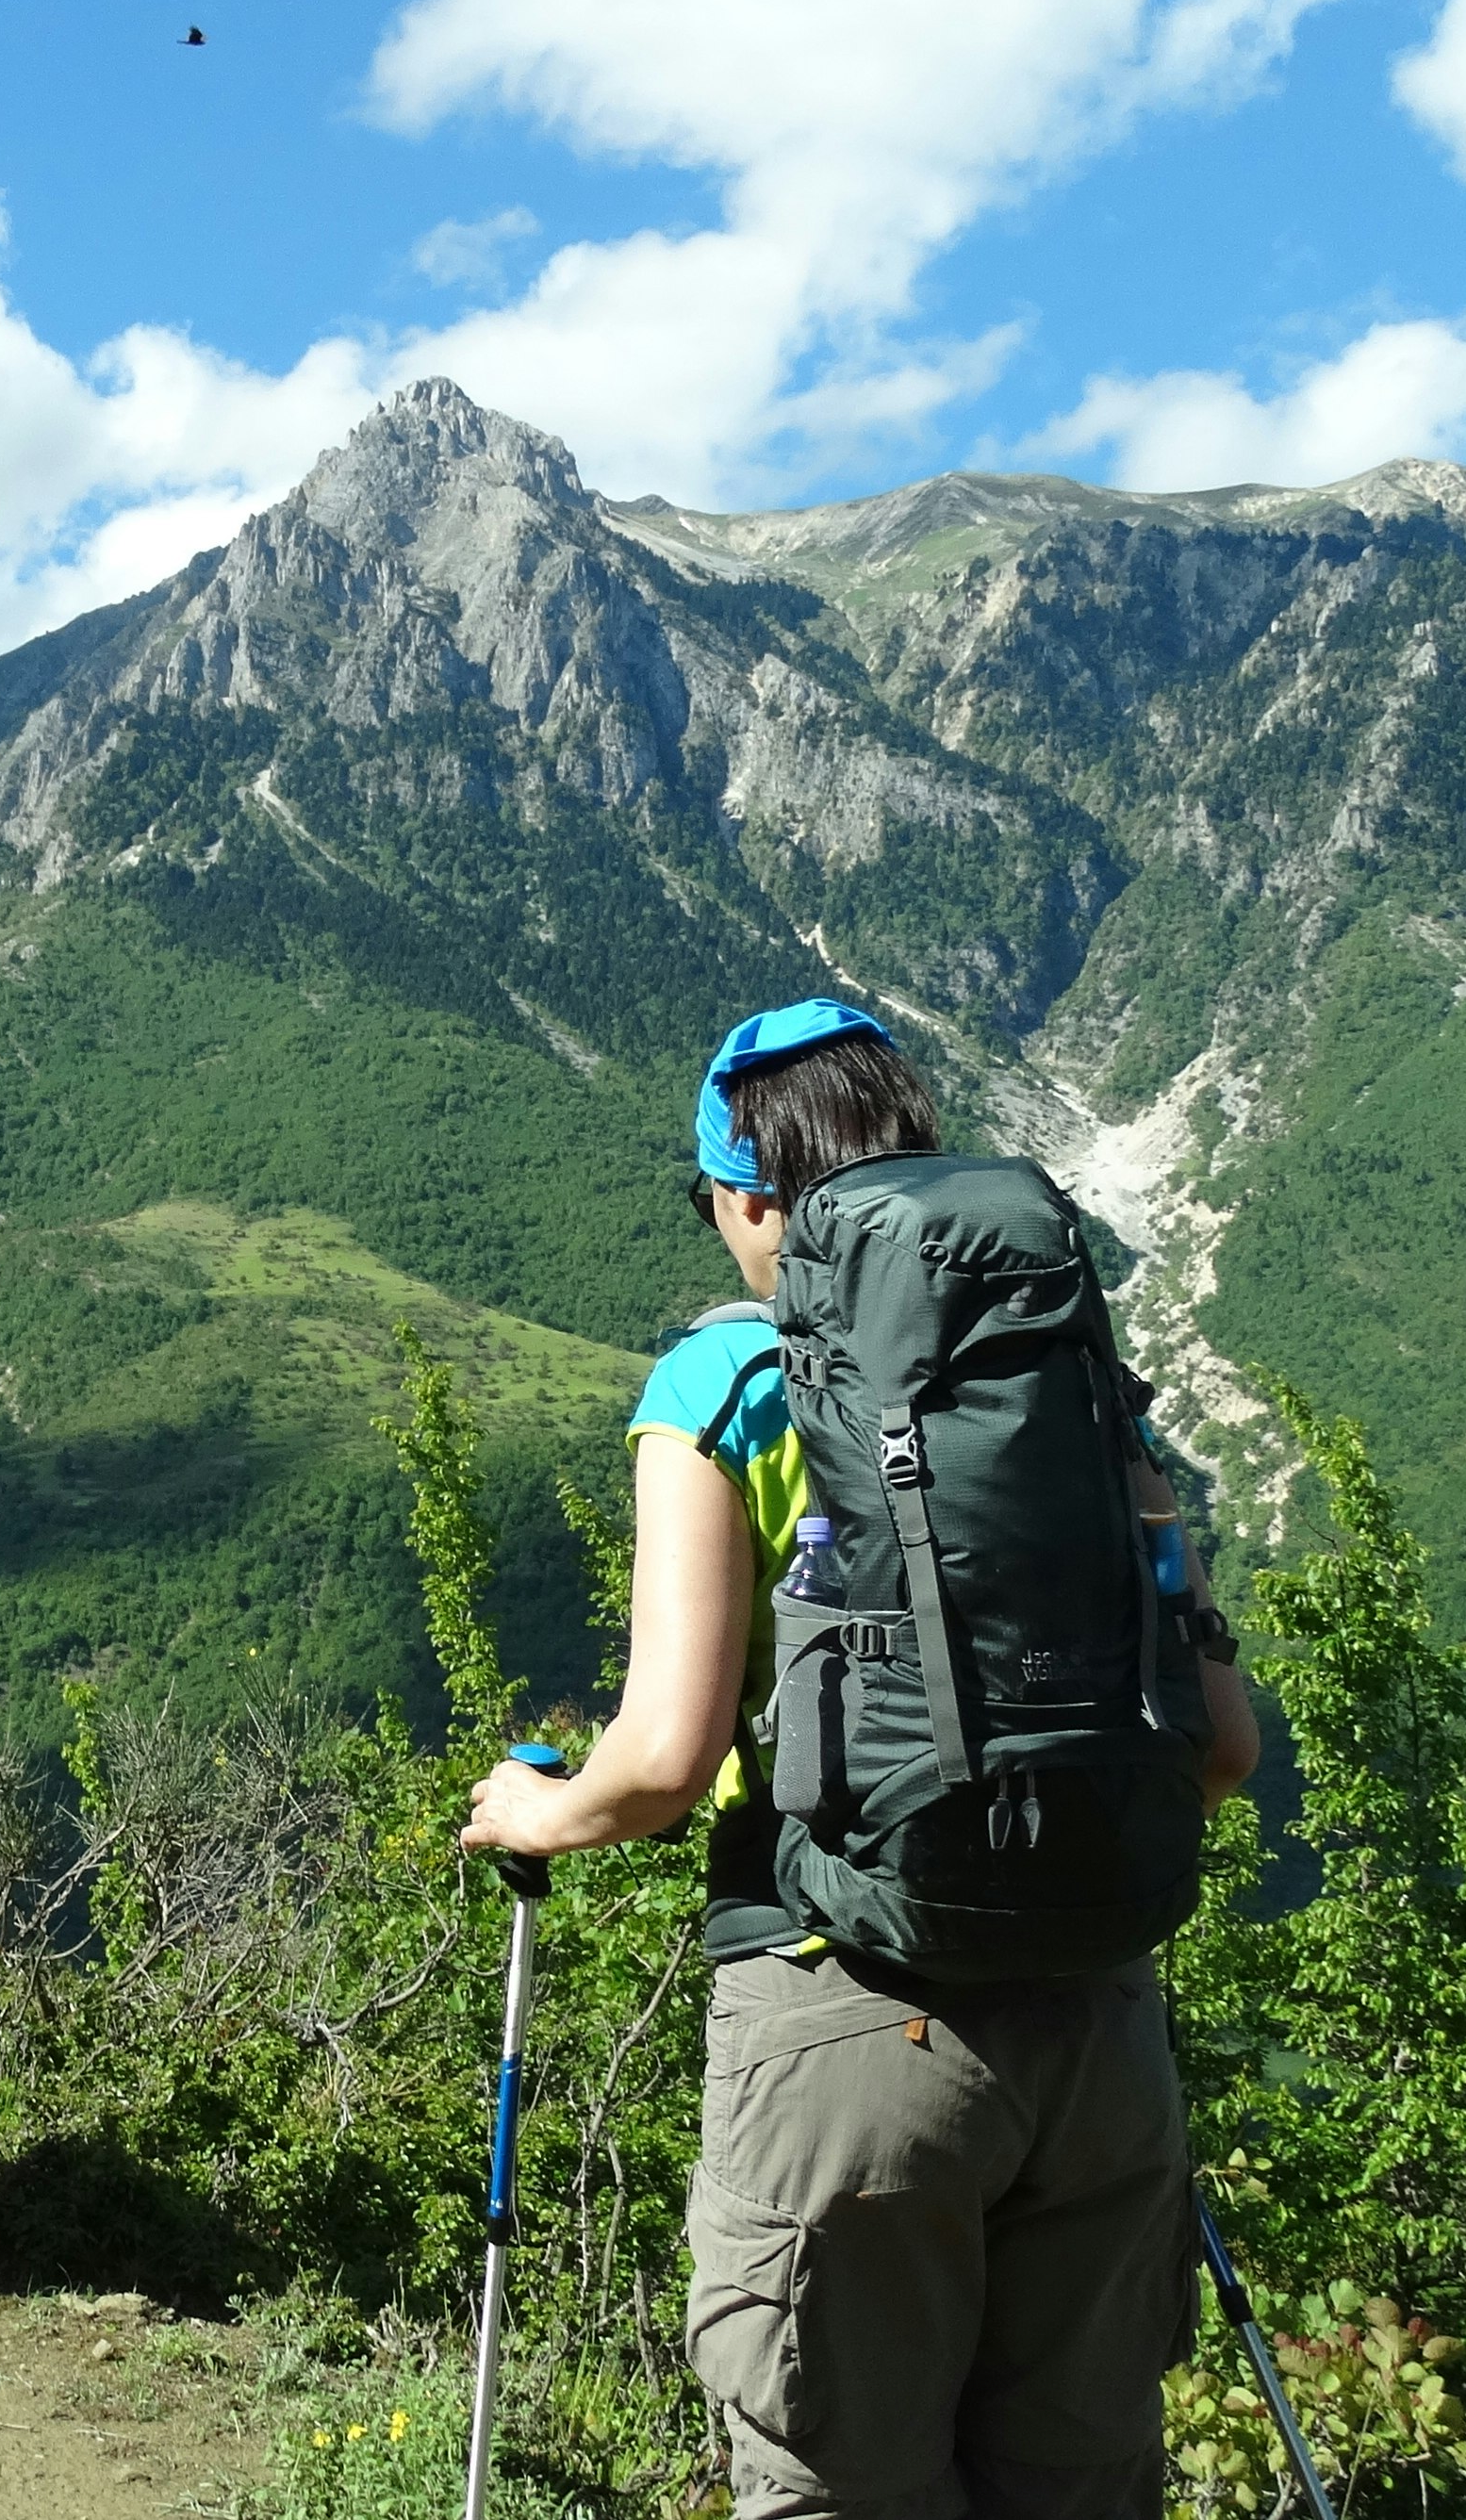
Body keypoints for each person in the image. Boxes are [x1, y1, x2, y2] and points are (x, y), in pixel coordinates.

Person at [461, 999, 1260, 2520]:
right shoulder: (1083, 1395)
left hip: (850, 2017)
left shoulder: (726, 1390)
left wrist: (536, 1810)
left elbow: (661, 1760)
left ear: (749, 1198)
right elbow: (1218, 1747)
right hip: (1100, 2039)